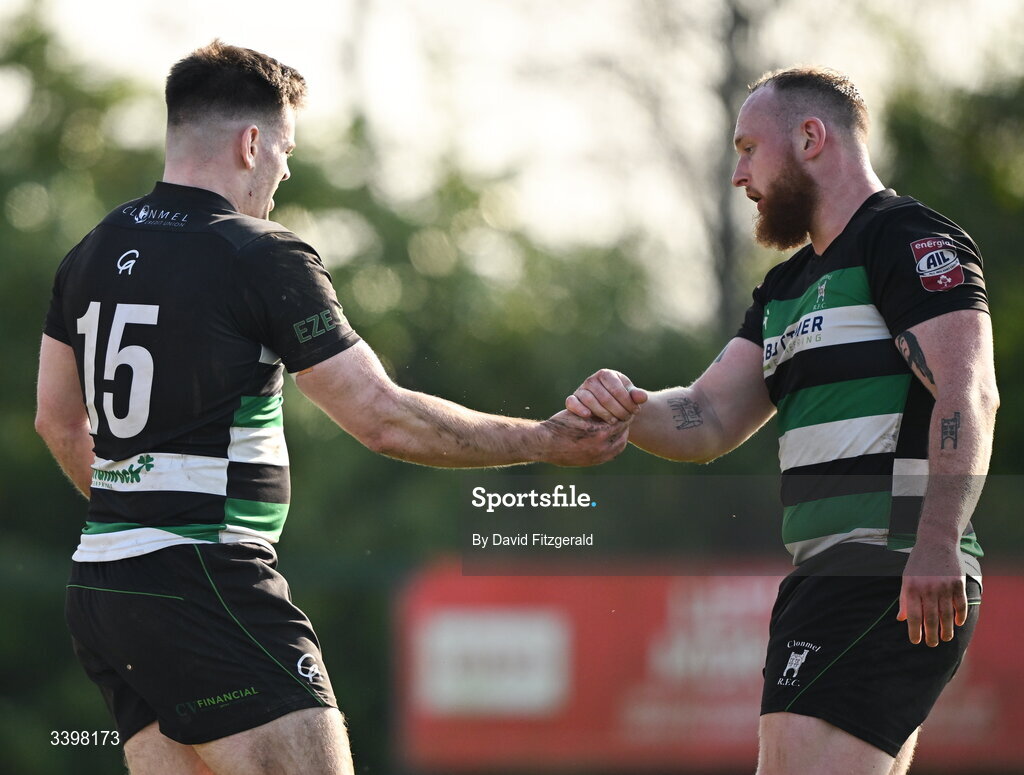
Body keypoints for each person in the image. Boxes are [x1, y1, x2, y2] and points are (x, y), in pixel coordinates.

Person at [34, 41, 629, 775]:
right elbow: (383, 416)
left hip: (102, 587)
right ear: (252, 142)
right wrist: (546, 438)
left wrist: (136, 513)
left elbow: (56, 420)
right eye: (285, 149)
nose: (283, 172)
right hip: (206, 580)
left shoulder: (90, 251)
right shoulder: (259, 253)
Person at [566, 66, 997, 775]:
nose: (739, 174)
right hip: (825, 576)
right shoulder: (784, 290)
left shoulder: (906, 238)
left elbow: (968, 390)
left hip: (885, 567)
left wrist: (936, 541)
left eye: (747, 148)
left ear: (809, 137)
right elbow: (705, 417)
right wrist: (626, 407)